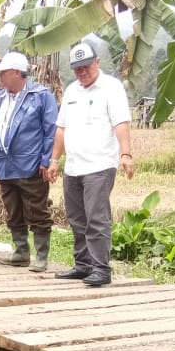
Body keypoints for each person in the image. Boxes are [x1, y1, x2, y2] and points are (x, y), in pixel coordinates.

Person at [47, 42, 135, 287]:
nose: (81, 72)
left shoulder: (111, 88)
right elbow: (61, 129)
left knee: (97, 218)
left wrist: (126, 154)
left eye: (85, 66)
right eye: (76, 69)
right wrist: (55, 159)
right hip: (73, 166)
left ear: (97, 62)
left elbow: (121, 123)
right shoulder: (72, 91)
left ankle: (101, 268)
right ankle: (83, 265)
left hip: (100, 164)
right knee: (76, 218)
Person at [0, 51, 58, 271]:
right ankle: (20, 252)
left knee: (37, 210)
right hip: (6, 165)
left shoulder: (40, 95)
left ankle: (41, 256)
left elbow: (51, 130)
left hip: (31, 164)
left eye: (4, 73)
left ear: (17, 72)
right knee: (13, 210)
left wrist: (47, 160)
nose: (0, 78)